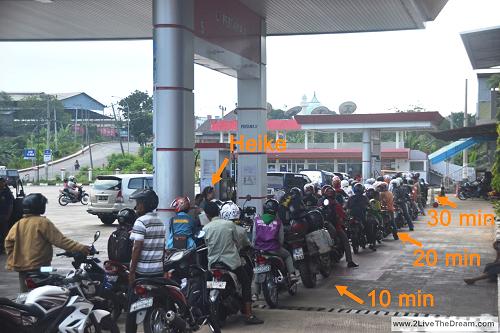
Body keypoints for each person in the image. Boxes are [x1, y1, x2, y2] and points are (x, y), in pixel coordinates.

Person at [4, 193, 90, 292]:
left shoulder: (19, 224)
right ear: (39, 207)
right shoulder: (43, 222)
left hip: (23, 270)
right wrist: (81, 247)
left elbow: (8, 243)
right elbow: (61, 241)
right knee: (47, 289)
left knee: (24, 296)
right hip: (41, 268)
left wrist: (15, 258)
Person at [202, 201, 263, 325]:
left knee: (207, 285)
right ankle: (249, 315)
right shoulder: (229, 225)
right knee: (246, 282)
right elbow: (237, 242)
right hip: (231, 263)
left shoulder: (206, 228)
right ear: (219, 212)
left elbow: (207, 244)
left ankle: (206, 314)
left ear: (207, 215)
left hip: (213, 264)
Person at [126, 189, 165, 333]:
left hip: (141, 273)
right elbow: (162, 247)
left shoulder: (140, 222)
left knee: (131, 307)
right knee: (157, 304)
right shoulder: (160, 221)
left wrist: (131, 272)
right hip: (157, 272)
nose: (136, 207)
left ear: (144, 205)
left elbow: (137, 248)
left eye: (138, 203)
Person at [253, 199, 297, 277]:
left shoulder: (257, 220)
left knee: (257, 274)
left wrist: (255, 247)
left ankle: (257, 285)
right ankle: (292, 275)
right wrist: (279, 246)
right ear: (276, 210)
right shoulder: (278, 222)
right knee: (288, 256)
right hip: (274, 249)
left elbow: (254, 237)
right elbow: (281, 240)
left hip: (260, 250)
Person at [321, 185, 358, 267]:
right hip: (334, 226)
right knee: (346, 241)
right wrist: (346, 218)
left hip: (322, 225)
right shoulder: (334, 203)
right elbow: (342, 213)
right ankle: (350, 261)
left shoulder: (321, 201)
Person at [347, 183, 376, 251]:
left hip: (353, 217)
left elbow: (346, 206)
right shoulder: (364, 198)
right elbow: (369, 206)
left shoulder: (351, 198)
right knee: (368, 227)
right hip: (361, 217)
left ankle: (370, 243)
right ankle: (371, 243)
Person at [0, 177, 14, 254]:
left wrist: (8, 215)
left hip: (4, 216)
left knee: (4, 232)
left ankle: (5, 247)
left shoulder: (7, 192)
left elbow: (11, 205)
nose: (1, 184)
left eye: (2, 182)